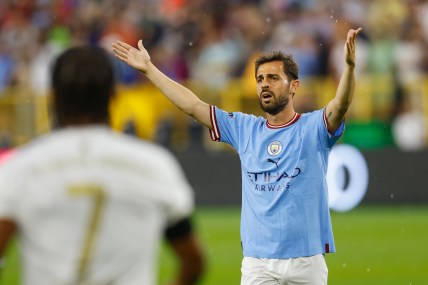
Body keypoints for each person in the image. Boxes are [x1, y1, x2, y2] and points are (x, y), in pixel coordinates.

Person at [112, 27, 362, 285]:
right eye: (260, 78)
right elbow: (193, 106)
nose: (265, 84)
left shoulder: (313, 128)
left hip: (306, 261)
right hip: (258, 263)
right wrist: (149, 70)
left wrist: (349, 68)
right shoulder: (245, 128)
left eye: (274, 78)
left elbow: (340, 105)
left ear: (293, 86)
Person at [0, 46, 204, 285]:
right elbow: (193, 263)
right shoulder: (154, 165)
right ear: (113, 95)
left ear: (52, 96)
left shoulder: (21, 167)